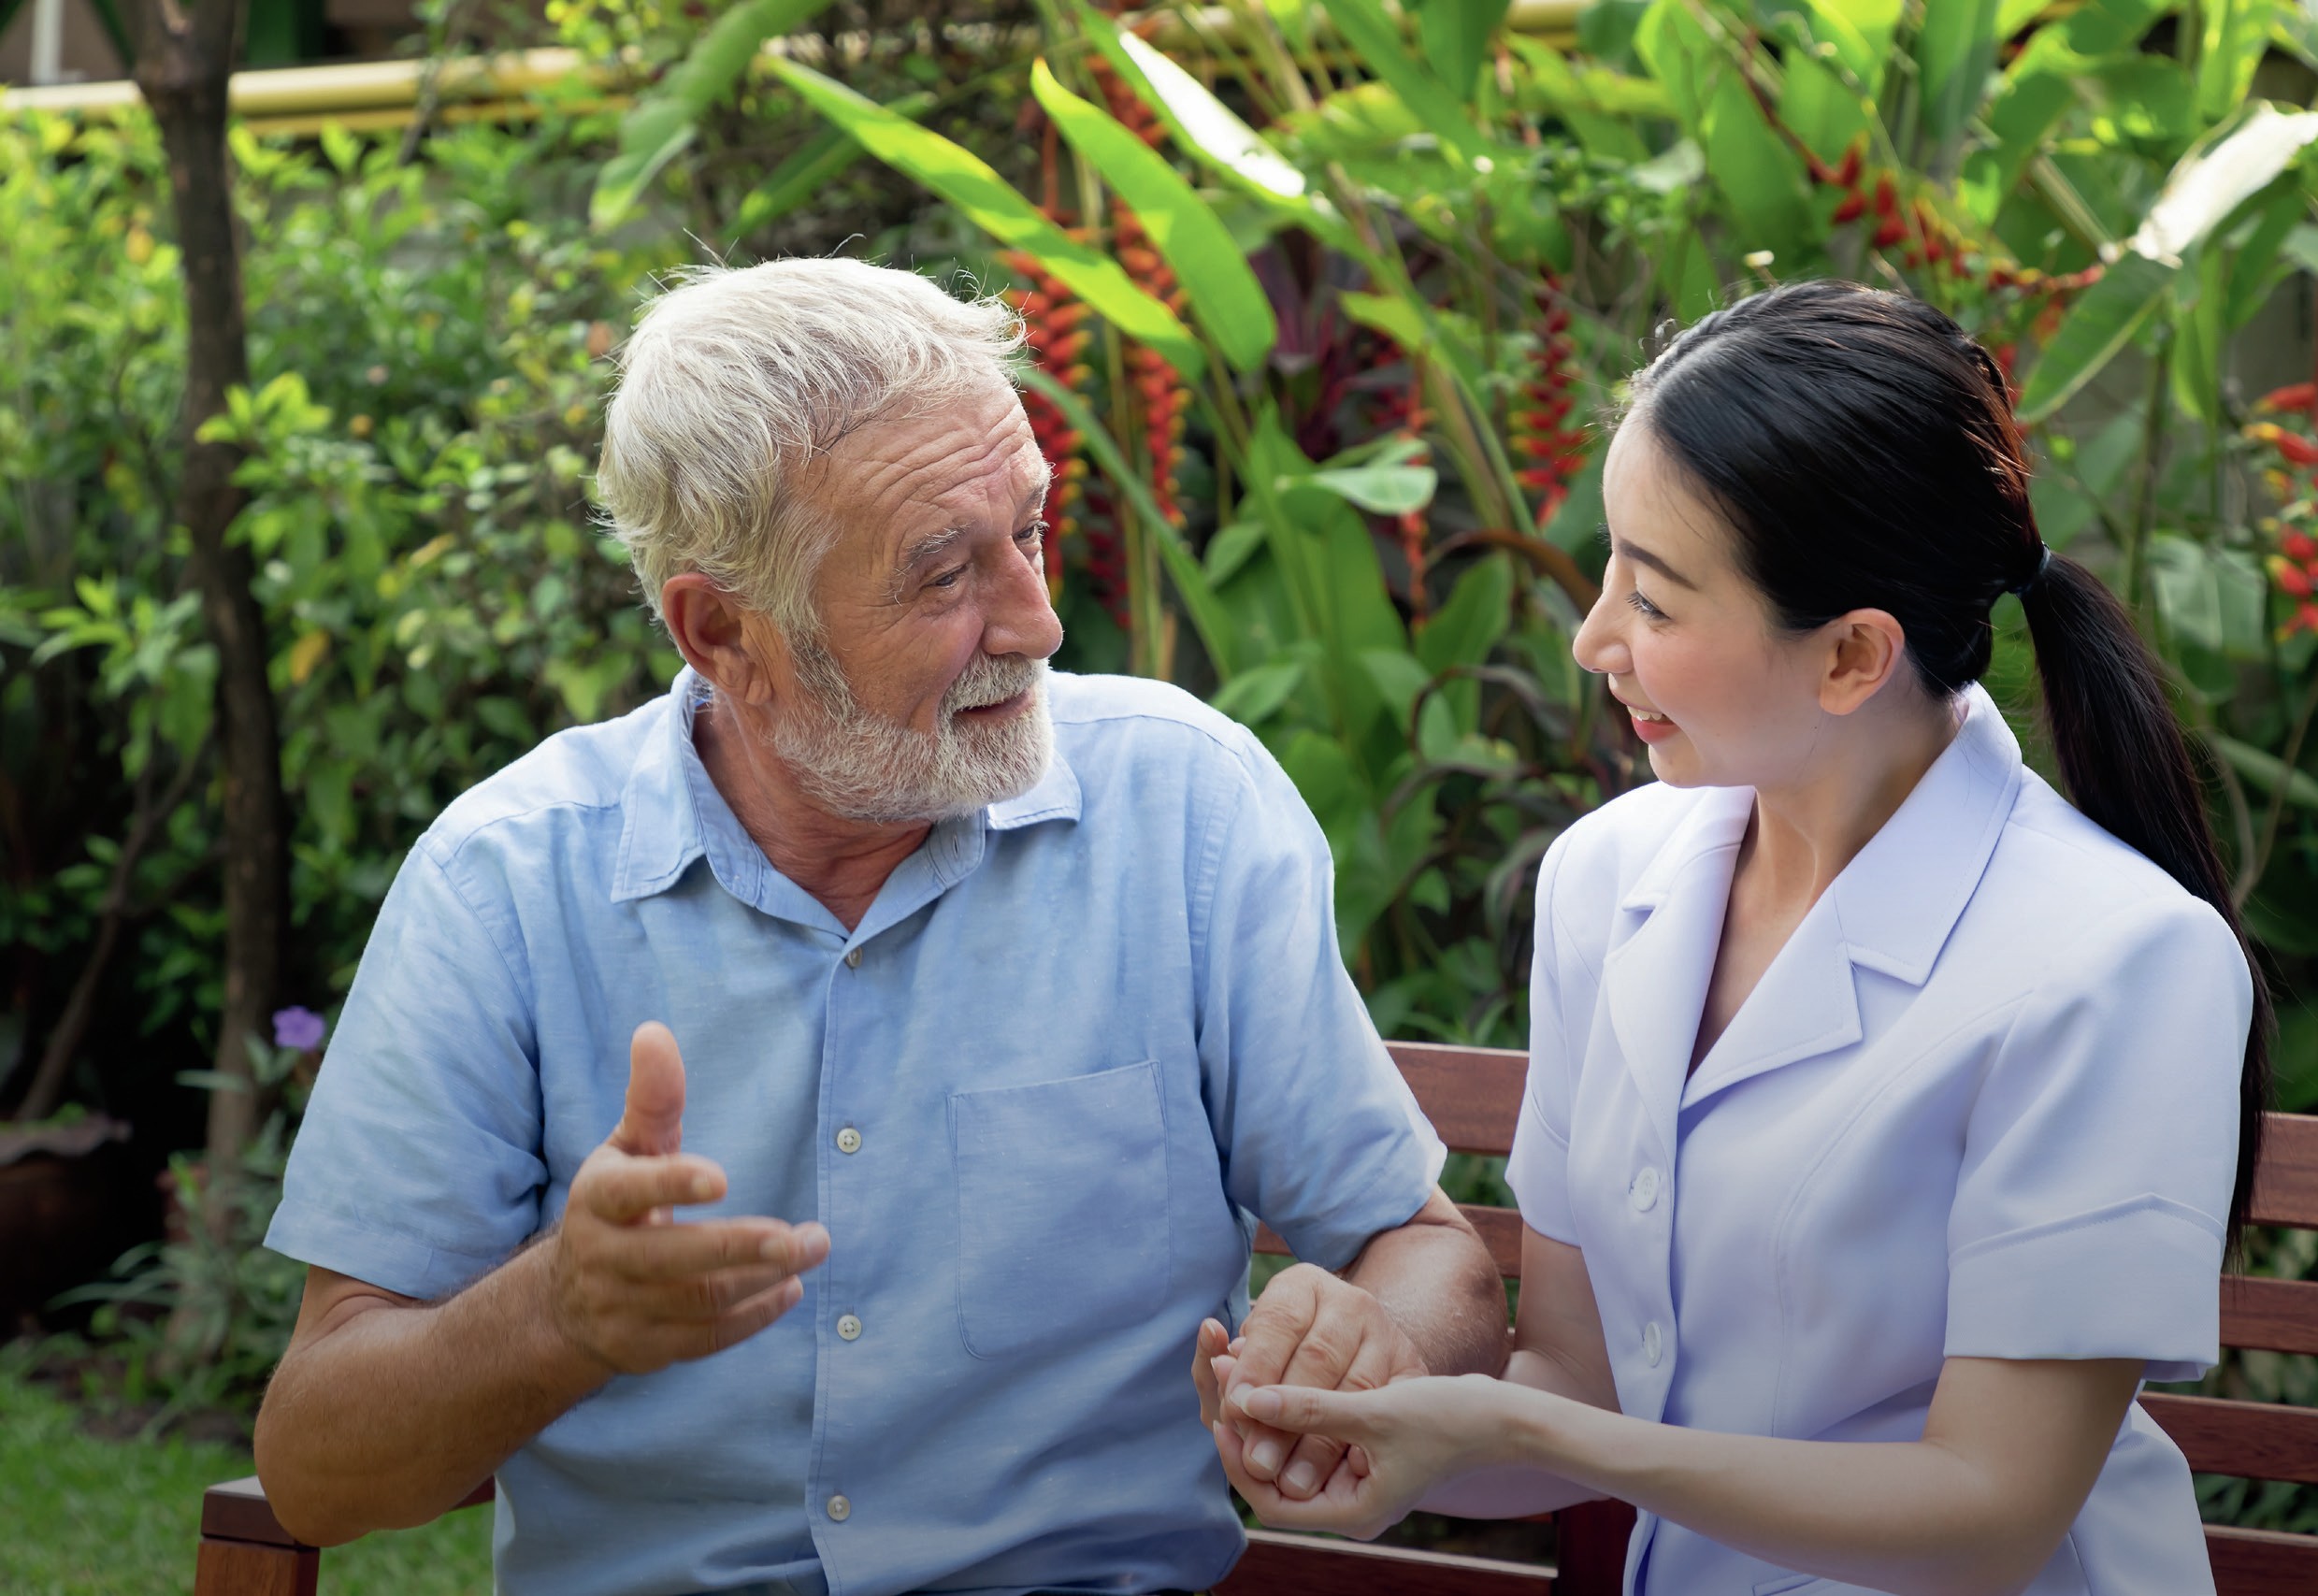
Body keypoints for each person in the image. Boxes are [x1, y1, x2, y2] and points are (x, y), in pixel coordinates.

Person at [252, 255, 1507, 1596]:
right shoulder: (505, 881)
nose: (1036, 620)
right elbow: (319, 1468)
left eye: (1024, 532)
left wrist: (1367, 1343)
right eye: (942, 574)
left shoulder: (1184, 810)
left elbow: (1431, 1257)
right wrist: (555, 1315)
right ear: (723, 632)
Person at [1199, 280, 2270, 1596]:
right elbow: (1575, 1383)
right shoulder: (1608, 878)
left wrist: (1530, 1428)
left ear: (1847, 657)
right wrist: (1359, 1432)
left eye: (1652, 603)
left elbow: (1990, 1513)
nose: (1594, 639)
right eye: (1610, 571)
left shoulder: (2116, 963)